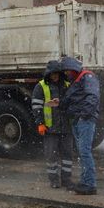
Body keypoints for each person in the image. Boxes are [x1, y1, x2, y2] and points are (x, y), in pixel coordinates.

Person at [59, 56, 100, 195]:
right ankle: (85, 181)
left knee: (84, 152)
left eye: (67, 71)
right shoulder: (78, 80)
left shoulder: (86, 77)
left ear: (72, 68)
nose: (66, 74)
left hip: (84, 120)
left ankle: (89, 184)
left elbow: (92, 97)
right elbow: (76, 99)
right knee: (83, 152)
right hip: (79, 119)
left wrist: (83, 115)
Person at [31, 60, 74, 189]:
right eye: (52, 74)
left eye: (56, 73)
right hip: (50, 128)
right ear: (48, 74)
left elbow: (72, 102)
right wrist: (40, 123)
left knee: (68, 155)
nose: (54, 76)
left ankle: (66, 180)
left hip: (66, 127)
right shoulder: (41, 86)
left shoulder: (67, 85)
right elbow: (36, 106)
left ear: (60, 73)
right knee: (51, 156)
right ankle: (54, 180)